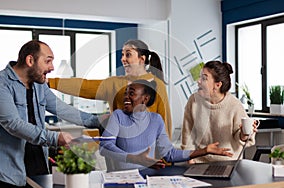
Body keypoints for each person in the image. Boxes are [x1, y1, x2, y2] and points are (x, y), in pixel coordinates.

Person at [0, 40, 101, 188]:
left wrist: (98, 121)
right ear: (30, 60)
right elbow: (13, 124)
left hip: (38, 162)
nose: (52, 67)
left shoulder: (39, 85)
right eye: (48, 61)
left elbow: (61, 108)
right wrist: (55, 137)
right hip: (9, 168)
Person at [47, 39, 172, 139]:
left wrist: (164, 155)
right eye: (122, 55)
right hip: (119, 152)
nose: (123, 59)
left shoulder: (157, 84)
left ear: (142, 59)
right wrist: (51, 82)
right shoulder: (114, 83)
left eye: (128, 54)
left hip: (149, 153)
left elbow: (165, 121)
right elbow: (84, 86)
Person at [99, 79, 233, 171]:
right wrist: (135, 159)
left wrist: (204, 151)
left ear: (145, 99)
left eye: (131, 93)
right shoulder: (118, 116)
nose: (126, 97)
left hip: (148, 178)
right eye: (125, 93)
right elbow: (105, 146)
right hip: (124, 180)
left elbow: (169, 154)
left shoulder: (155, 120)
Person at [181, 61, 258, 163]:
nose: (198, 81)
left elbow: (242, 137)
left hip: (228, 162)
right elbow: (188, 134)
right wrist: (189, 158)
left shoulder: (234, 105)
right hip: (199, 163)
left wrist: (244, 134)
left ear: (217, 85)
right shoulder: (194, 101)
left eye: (204, 78)